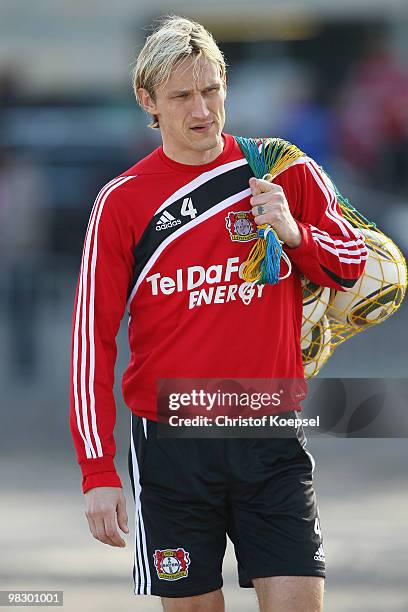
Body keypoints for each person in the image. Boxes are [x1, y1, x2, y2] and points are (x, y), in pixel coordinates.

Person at [69, 16, 367, 612]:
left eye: (210, 90)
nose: (201, 109)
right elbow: (90, 343)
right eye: (181, 96)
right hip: (171, 451)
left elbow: (353, 264)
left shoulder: (281, 169)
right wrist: (97, 471)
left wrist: (292, 230)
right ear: (147, 101)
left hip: (270, 435)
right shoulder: (122, 202)